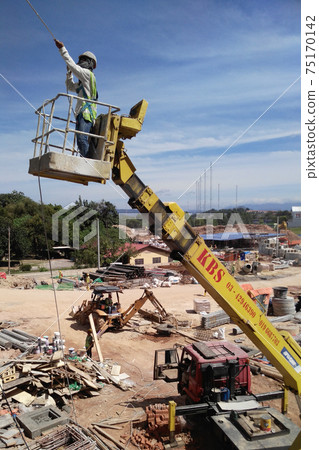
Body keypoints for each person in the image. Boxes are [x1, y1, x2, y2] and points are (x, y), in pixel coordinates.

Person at [54, 39, 98, 157]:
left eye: (84, 60)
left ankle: (88, 163)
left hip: (86, 114)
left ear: (90, 63)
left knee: (82, 139)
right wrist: (69, 74)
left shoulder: (88, 75)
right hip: (82, 114)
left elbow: (73, 66)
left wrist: (62, 49)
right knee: (81, 140)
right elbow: (70, 86)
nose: (81, 62)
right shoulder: (82, 83)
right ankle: (87, 160)